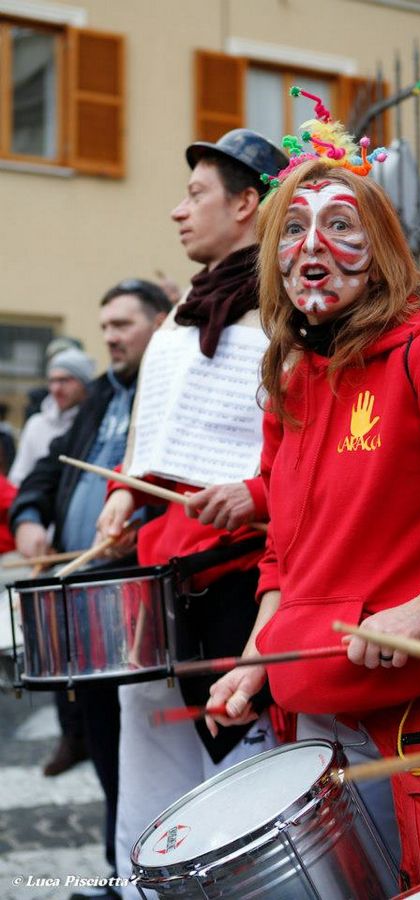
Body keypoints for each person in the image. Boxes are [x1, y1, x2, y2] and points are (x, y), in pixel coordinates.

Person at [202, 96, 420, 891]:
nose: (314, 248)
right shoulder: (292, 377)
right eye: (294, 230)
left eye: (341, 225)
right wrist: (255, 659)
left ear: (380, 251)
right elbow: (286, 557)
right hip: (311, 725)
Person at [95, 129, 292, 899]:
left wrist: (257, 495)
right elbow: (156, 435)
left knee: (243, 793)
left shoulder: (285, 309)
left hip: (243, 583)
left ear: (247, 203)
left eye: (197, 196)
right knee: (149, 796)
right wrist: (124, 491)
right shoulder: (182, 312)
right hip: (159, 577)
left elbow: (302, 457)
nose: (178, 213)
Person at [9, 278, 171, 900]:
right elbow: (52, 467)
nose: (110, 338)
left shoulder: (172, 386)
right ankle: (119, 871)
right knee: (104, 740)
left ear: (160, 324)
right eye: (104, 327)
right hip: (83, 597)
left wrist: (150, 530)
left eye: (122, 325)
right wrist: (28, 517)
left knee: (149, 747)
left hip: (143, 597)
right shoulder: (102, 393)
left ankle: (157, 873)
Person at [9, 347, 96, 487]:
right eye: (52, 381)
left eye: (64, 380)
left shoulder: (97, 426)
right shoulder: (36, 425)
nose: (56, 389)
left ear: (84, 383)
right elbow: (18, 478)